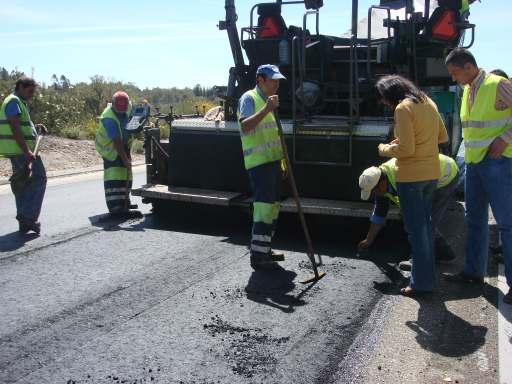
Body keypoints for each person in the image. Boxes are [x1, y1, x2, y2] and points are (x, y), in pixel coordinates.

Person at [444, 48, 512, 304]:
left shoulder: (498, 85)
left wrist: (505, 139)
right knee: (475, 220)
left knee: (507, 223)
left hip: (498, 163)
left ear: (469, 67)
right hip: (475, 165)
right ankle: (473, 272)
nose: (453, 79)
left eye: (454, 73)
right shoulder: (467, 91)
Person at [376, 75, 449, 296]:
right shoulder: (428, 102)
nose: (383, 102)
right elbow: (442, 136)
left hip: (411, 177)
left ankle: (422, 284)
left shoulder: (402, 108)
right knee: (425, 227)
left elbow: (406, 151)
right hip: (431, 173)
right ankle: (425, 276)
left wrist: (384, 149)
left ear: (391, 94)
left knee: (416, 232)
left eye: (383, 97)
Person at [358, 153, 460, 269]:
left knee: (423, 221)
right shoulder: (380, 178)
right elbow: (380, 213)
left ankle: (419, 261)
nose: (374, 195)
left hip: (445, 176)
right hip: (428, 173)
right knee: (411, 217)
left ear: (381, 184)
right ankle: (444, 253)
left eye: (373, 192)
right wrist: (368, 240)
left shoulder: (402, 179)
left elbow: (417, 216)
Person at [237, 64, 286, 270]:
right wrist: (267, 109)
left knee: (273, 207)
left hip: (273, 162)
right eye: (272, 80)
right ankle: (258, 255)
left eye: (278, 81)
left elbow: (273, 134)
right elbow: (245, 126)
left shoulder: (269, 101)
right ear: (260, 80)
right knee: (264, 208)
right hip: (259, 164)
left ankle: (264, 249)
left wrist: (283, 162)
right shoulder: (250, 98)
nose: (276, 84)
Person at [0, 77, 47, 234]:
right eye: (30, 91)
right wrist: (26, 151)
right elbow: (15, 127)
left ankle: (25, 221)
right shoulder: (13, 101)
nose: (32, 94)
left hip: (19, 151)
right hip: (22, 151)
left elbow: (22, 125)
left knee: (23, 185)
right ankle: (28, 217)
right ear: (20, 86)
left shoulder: (18, 102)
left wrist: (36, 127)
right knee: (39, 178)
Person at [95, 91, 137, 216]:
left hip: (123, 144)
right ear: (113, 105)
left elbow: (134, 112)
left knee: (126, 173)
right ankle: (115, 206)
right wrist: (125, 159)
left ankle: (125, 201)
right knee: (114, 176)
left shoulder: (127, 106)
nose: (122, 111)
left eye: (124, 108)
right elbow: (116, 141)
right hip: (110, 148)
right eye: (119, 109)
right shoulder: (109, 119)